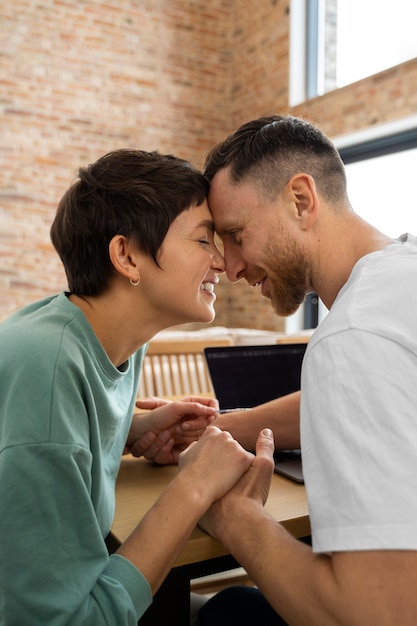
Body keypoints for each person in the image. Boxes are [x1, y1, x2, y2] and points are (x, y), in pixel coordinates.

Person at [0, 148, 267, 625]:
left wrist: (133, 432)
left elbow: (40, 446)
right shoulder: (46, 362)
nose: (224, 262)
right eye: (205, 240)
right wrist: (194, 486)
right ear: (126, 256)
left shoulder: (112, 336)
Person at [194, 115, 417, 625]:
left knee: (225, 614)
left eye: (235, 234)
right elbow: (371, 390)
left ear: (301, 200)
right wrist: (225, 425)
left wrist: (237, 518)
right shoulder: (400, 280)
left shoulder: (354, 337)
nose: (229, 268)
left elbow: (374, 615)